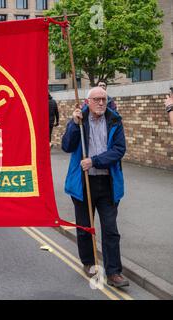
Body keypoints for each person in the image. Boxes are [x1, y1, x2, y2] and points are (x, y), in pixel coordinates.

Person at [62, 86, 129, 288]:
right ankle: (89, 262)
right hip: (84, 183)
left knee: (110, 230)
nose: (101, 103)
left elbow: (119, 150)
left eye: (104, 99)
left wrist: (95, 161)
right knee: (85, 228)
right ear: (87, 102)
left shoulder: (115, 120)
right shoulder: (79, 120)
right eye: (97, 99)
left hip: (107, 183)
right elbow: (66, 146)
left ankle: (114, 272)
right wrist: (74, 124)